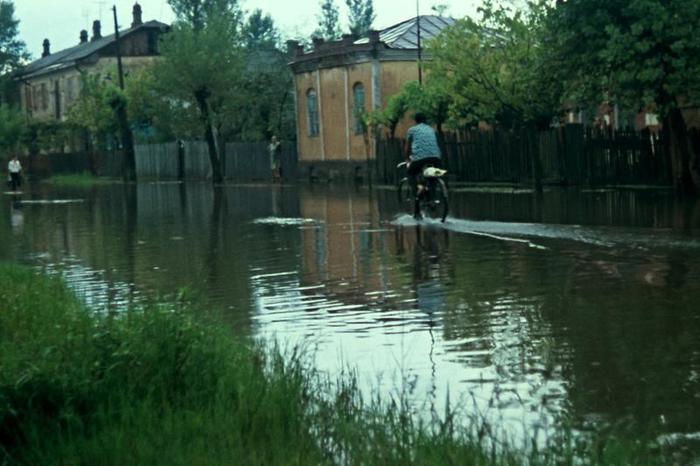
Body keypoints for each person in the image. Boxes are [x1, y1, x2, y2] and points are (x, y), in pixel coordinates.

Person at [404, 113, 442, 218]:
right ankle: (432, 199)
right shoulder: (431, 129)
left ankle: (418, 188)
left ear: (415, 121)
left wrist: (407, 159)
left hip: (419, 158)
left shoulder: (412, 130)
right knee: (433, 177)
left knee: (411, 173)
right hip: (435, 157)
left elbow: (407, 148)